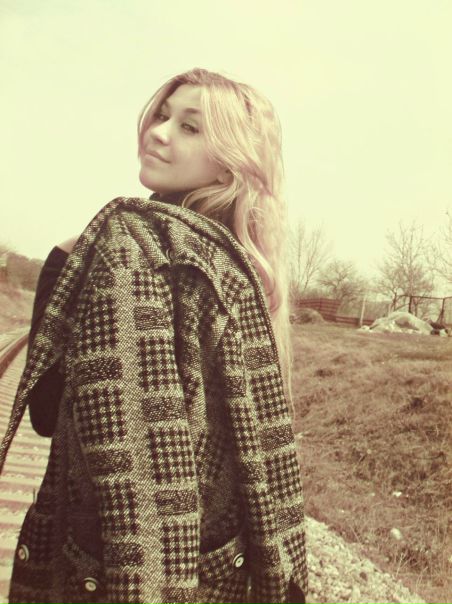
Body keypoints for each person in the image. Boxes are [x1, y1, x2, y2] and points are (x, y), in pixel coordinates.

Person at [0, 68, 308, 604]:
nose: (158, 133)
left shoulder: (132, 246)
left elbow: (132, 483)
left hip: (119, 575)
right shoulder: (243, 267)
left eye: (190, 127)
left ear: (230, 161)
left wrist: (62, 261)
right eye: (162, 115)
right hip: (216, 571)